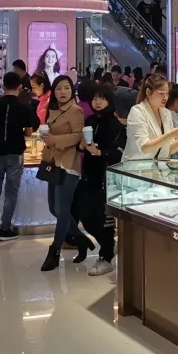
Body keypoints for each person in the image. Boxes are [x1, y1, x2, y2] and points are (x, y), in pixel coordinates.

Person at [38, 76, 92, 270]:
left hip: (69, 164)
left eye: (67, 88)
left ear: (72, 91)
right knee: (54, 209)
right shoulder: (53, 110)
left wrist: (56, 140)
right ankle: (81, 239)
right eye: (59, 88)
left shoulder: (75, 110)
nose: (63, 92)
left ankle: (54, 251)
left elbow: (78, 135)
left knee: (62, 211)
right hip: (53, 163)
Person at [0, 71, 37, 243]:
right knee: (11, 191)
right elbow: (29, 132)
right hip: (15, 151)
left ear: (3, 86)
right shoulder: (24, 107)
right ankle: (5, 229)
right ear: (20, 87)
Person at [78, 84, 126, 275]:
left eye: (102, 98)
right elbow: (82, 146)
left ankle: (105, 258)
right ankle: (109, 246)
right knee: (86, 217)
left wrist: (99, 152)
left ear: (109, 100)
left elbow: (118, 152)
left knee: (105, 220)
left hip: (106, 179)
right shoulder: (90, 120)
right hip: (89, 175)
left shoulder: (116, 125)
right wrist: (82, 146)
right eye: (95, 98)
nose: (97, 102)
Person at [123, 74, 178, 160]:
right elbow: (144, 147)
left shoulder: (166, 113)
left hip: (158, 166)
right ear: (148, 92)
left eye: (167, 93)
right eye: (161, 94)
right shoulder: (137, 111)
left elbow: (170, 149)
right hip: (136, 164)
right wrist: (171, 134)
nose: (165, 97)